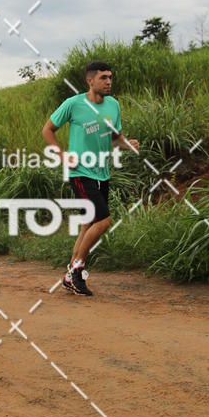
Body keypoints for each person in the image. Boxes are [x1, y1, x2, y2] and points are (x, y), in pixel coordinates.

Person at [42, 61, 139, 296]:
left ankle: (69, 275)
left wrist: (127, 145)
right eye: (103, 77)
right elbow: (47, 130)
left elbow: (115, 138)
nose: (108, 82)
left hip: (102, 173)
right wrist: (61, 155)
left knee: (88, 224)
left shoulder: (113, 105)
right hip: (80, 173)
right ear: (90, 81)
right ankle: (77, 271)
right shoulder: (73, 104)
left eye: (110, 77)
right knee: (103, 221)